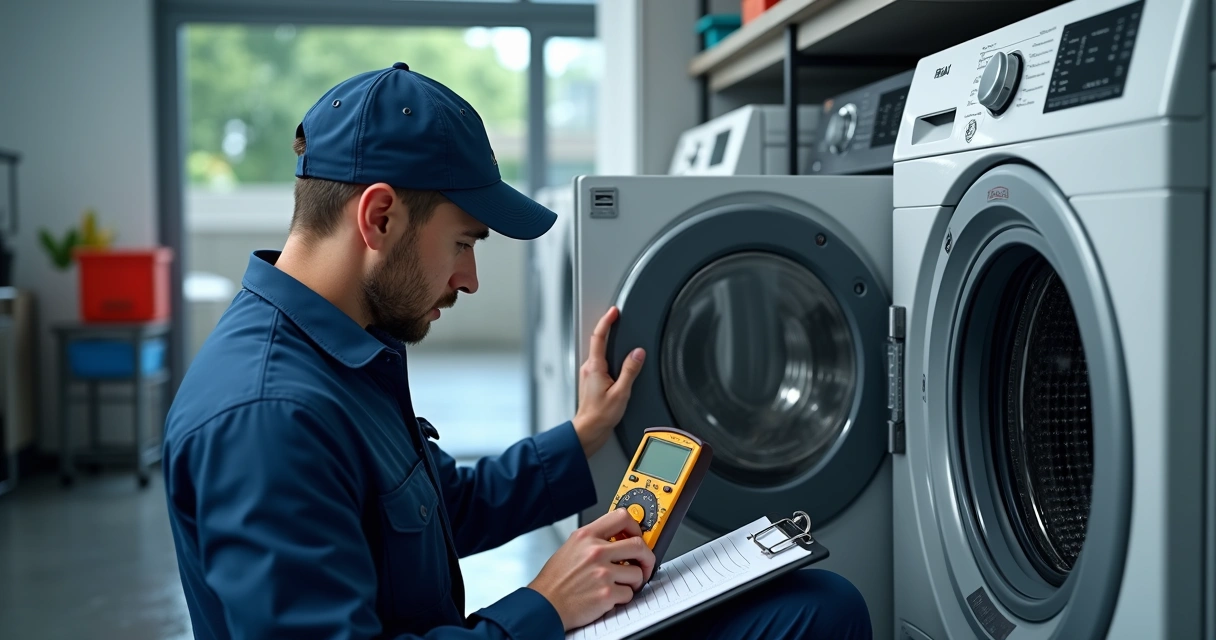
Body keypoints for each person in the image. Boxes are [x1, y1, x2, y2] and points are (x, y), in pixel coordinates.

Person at [162, 62, 872, 640]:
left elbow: (446, 507)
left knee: (817, 603)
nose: (469, 277)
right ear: (379, 217)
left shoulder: (340, 359)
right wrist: (543, 606)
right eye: (465, 241)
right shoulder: (267, 419)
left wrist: (584, 433)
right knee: (816, 617)